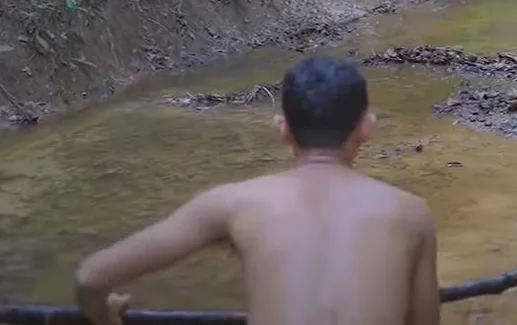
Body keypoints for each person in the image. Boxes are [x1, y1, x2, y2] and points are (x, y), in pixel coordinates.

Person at [74, 56, 441, 325]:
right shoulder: (410, 213)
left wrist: (103, 315)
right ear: (366, 127)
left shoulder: (234, 203)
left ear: (282, 129)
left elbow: (91, 277)